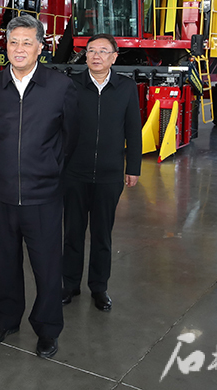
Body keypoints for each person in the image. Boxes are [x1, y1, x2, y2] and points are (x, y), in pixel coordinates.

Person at [0, 14, 78, 359]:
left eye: (26, 42)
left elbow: (70, 138)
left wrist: (49, 168)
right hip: (3, 194)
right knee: (3, 263)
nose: (18, 49)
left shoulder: (60, 87)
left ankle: (48, 329)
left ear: (40, 47)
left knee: (47, 267)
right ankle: (6, 320)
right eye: (13, 42)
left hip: (43, 195)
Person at [61, 33, 141, 312]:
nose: (96, 56)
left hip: (109, 174)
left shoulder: (126, 87)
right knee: (72, 232)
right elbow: (60, 127)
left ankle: (99, 287)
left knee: (102, 234)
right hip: (74, 172)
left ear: (114, 57)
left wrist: (133, 167)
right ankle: (69, 284)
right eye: (91, 50)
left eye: (103, 51)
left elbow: (133, 128)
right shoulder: (71, 85)